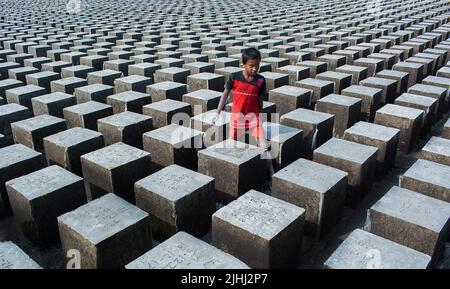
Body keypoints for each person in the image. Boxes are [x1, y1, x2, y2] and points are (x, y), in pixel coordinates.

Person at [211, 48, 275, 185]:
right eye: (251, 66)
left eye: (257, 65)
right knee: (229, 143)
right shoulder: (234, 77)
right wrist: (217, 112)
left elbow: (260, 100)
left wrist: (259, 117)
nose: (254, 69)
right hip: (237, 118)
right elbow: (225, 94)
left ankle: (271, 172)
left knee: (263, 145)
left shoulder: (260, 81)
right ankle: (227, 171)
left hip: (253, 118)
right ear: (244, 64)